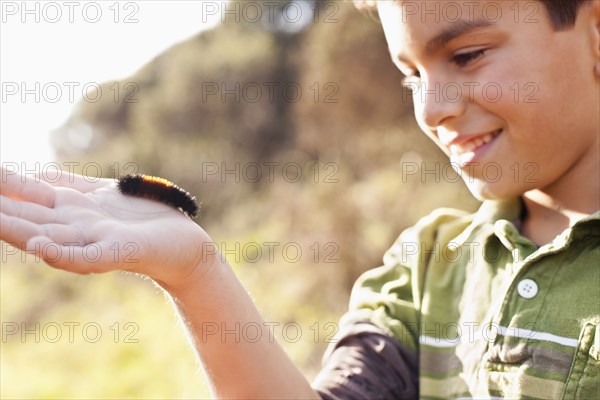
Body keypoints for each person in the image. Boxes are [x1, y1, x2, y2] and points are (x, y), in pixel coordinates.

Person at [1, 0, 598, 398]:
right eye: (410, 76)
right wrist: (195, 274)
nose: (429, 106)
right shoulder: (426, 266)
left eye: (466, 56)